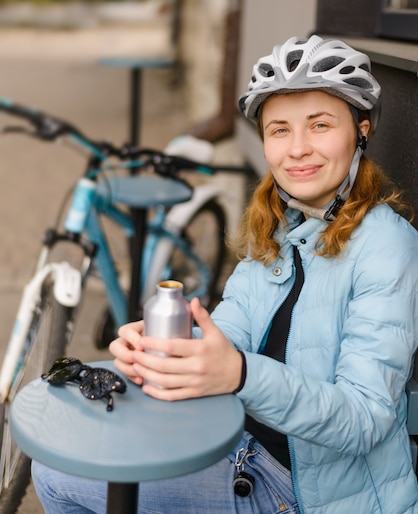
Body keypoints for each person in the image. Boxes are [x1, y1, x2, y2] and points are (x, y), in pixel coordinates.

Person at [32, 35, 418, 513]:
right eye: (280, 130)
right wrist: (167, 346)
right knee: (60, 461)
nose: (297, 149)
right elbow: (232, 328)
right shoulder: (279, 224)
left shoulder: (388, 245)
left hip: (308, 495)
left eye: (320, 125)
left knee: (61, 477)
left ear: (361, 131)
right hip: (240, 451)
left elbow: (365, 418)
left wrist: (238, 374)